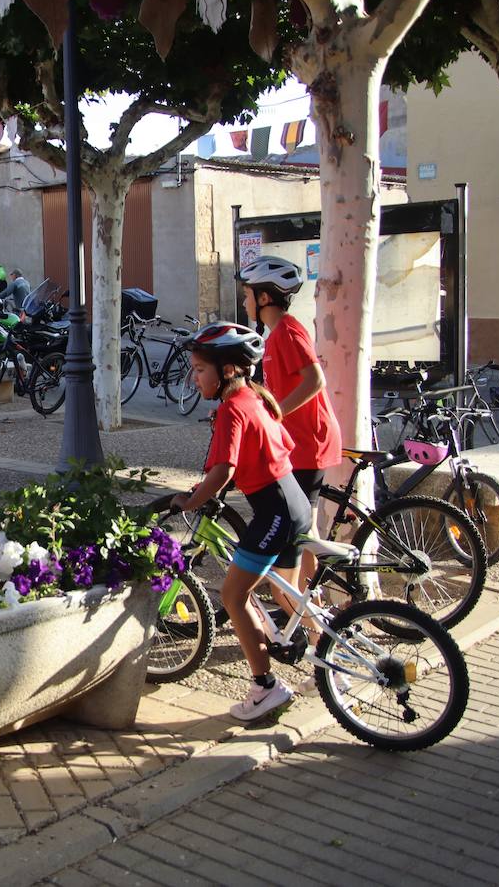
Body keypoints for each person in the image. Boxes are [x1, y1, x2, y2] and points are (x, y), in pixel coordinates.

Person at [170, 322, 310, 722]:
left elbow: (224, 470)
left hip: (274, 512)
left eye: (199, 370)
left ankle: (265, 688)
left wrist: (192, 500)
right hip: (293, 501)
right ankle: (324, 662)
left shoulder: (232, 408)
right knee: (287, 595)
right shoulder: (255, 396)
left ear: (228, 369)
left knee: (233, 597)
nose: (193, 378)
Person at [238, 256, 342, 615]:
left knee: (297, 532)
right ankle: (311, 604)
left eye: (248, 294)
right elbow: (276, 388)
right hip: (298, 444)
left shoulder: (289, 330)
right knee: (305, 530)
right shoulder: (274, 335)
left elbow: (315, 380)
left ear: (265, 297)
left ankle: (302, 610)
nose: (244, 300)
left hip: (309, 444)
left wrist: (276, 413)